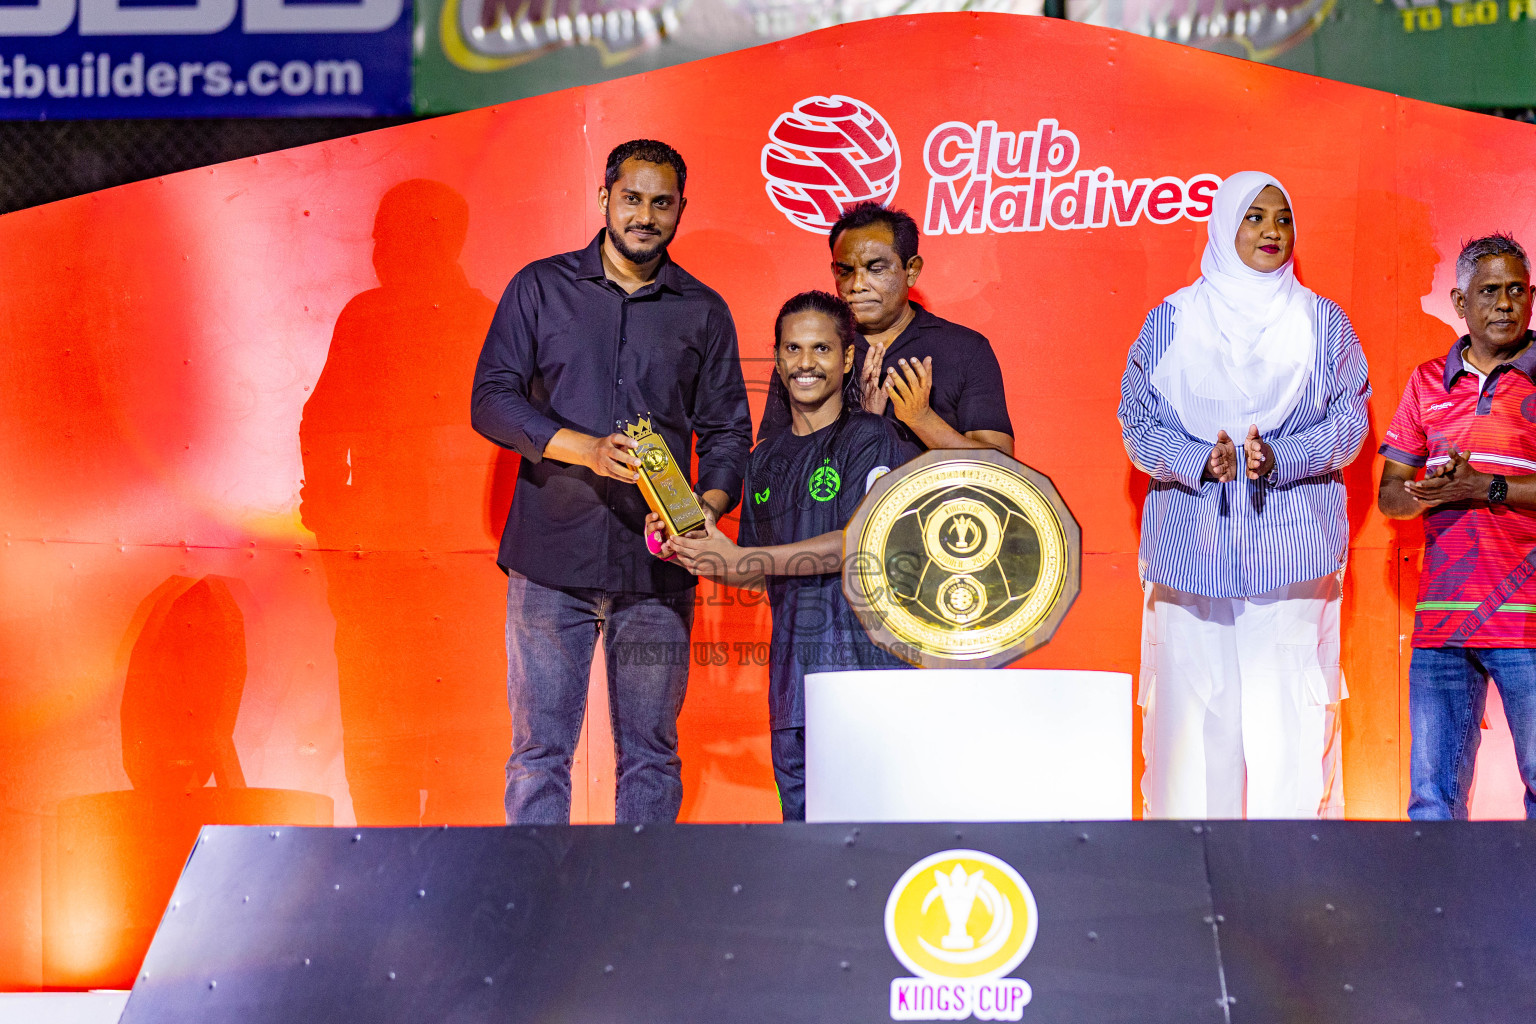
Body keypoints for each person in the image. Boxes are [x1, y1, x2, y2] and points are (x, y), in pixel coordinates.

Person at [470, 139, 752, 825]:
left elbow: (727, 432)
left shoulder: (703, 310)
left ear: (680, 210)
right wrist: (587, 451)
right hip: (551, 559)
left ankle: (640, 894)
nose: (645, 216)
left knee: (651, 756)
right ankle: (538, 889)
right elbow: (492, 400)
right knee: (539, 754)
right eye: (632, 199)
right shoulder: (540, 288)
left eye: (662, 203)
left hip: (656, 568)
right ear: (604, 199)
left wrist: (702, 512)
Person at [1118, 171, 1371, 820]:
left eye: (1283, 218)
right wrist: (1199, 459)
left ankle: (1295, 876)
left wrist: (1281, 457)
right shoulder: (1172, 319)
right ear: (1224, 226)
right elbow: (1137, 423)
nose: (1271, 231)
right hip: (1190, 552)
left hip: (1291, 554)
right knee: (1193, 729)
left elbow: (1350, 422)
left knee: (1291, 730)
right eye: (1254, 217)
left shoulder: (1322, 322)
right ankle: (1189, 873)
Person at [653, 291, 913, 820]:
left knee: (873, 846)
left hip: (865, 686)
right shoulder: (763, 461)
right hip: (791, 696)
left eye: (821, 349)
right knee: (804, 849)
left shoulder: (871, 436)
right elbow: (756, 571)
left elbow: (860, 541)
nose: (805, 363)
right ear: (776, 358)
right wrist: (690, 548)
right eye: (793, 349)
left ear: (847, 359)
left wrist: (746, 561)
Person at [1378, 232, 1536, 820]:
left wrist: (1484, 487)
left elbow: (1486, 487)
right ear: (1460, 302)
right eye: (1489, 291)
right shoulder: (1426, 381)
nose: (1505, 303)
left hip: (1528, 621)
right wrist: (1428, 491)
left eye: (1517, 290)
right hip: (1443, 623)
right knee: (1432, 801)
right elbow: (1390, 496)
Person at [758, 202, 1013, 454]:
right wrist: (860, 425)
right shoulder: (810, 351)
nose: (857, 284)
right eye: (845, 271)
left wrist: (922, 420)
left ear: (911, 270)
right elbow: (770, 459)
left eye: (876, 269)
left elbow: (1001, 465)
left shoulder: (965, 350)